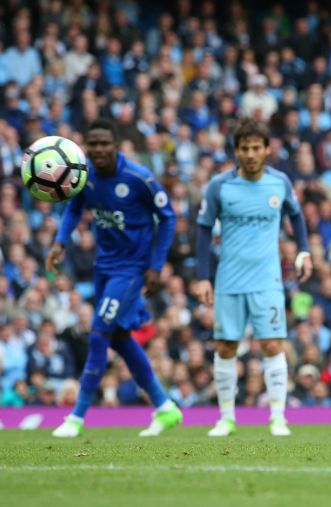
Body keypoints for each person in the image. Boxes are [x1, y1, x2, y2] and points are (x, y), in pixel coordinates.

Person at [49, 118, 181, 438]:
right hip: (104, 267)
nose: (98, 150)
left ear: (116, 145)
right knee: (119, 338)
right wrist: (60, 241)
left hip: (132, 270)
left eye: (104, 143)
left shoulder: (138, 178)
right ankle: (165, 407)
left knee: (97, 335)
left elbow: (168, 217)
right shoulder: (85, 177)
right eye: (92, 144)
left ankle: (77, 417)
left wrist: (156, 265)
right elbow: (74, 208)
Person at [196, 120, 312, 437]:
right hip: (229, 280)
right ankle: (226, 418)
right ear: (236, 151)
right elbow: (204, 230)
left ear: (267, 150)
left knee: (272, 345)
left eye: (256, 148)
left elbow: (296, 215)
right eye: (244, 148)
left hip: (268, 280)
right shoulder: (220, 185)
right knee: (225, 347)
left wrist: (303, 249)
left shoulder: (280, 183)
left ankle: (277, 417)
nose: (250, 154)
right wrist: (202, 277)